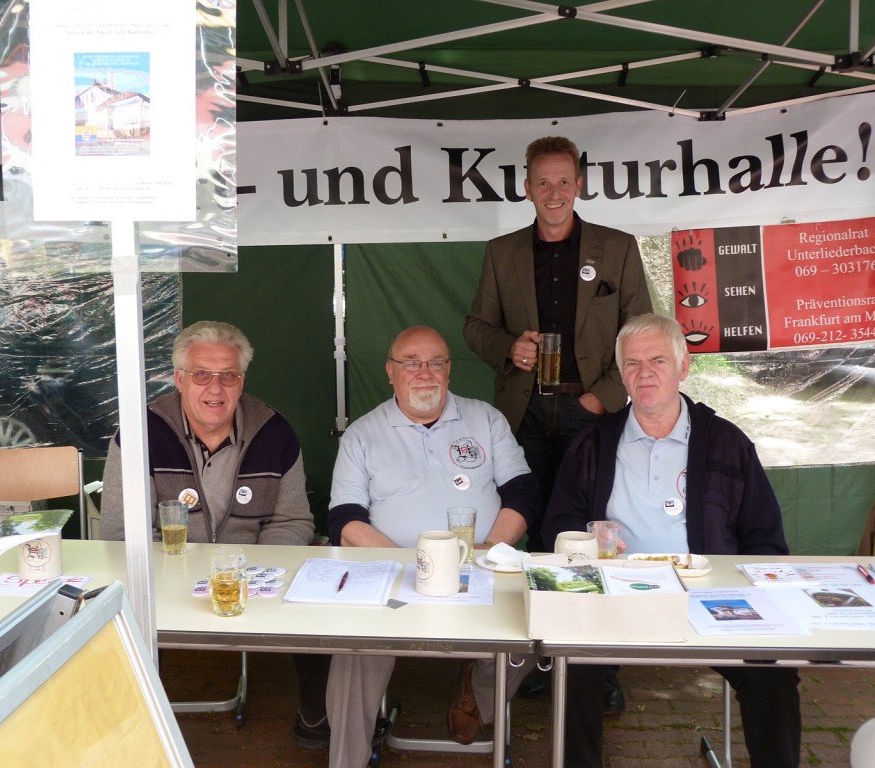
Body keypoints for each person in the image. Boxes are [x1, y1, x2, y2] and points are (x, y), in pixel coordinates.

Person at [541, 313, 802, 768]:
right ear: (620, 373)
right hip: (613, 598)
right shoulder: (592, 445)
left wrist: (740, 595)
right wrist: (585, 540)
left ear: (683, 367)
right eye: (633, 363)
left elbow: (766, 541)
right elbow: (556, 528)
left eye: (658, 360)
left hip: (710, 598)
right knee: (571, 663)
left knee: (773, 672)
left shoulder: (726, 443)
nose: (645, 373)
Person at [464, 134, 651, 709]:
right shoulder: (502, 252)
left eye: (563, 181)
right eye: (542, 182)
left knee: (594, 532)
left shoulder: (616, 248)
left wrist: (604, 396)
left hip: (589, 409)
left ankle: (602, 672)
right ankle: (542, 656)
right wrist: (508, 350)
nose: (553, 192)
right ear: (526, 187)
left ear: (580, 185)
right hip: (524, 410)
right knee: (535, 530)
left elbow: (641, 329)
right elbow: (477, 327)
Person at [99, 320, 332, 750]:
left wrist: (257, 572)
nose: (215, 388)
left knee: (316, 601)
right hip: (164, 576)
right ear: (179, 380)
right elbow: (119, 529)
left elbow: (294, 521)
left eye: (228, 375)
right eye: (202, 374)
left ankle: (315, 714)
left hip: (253, 574)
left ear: (241, 381)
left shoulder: (275, 432)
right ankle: (133, 725)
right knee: (124, 611)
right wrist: (173, 573)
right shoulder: (139, 433)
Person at [326, 325, 540, 768]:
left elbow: (523, 494)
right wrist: (410, 565)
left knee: (531, 632)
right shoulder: (362, 435)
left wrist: (488, 550)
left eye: (436, 362)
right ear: (390, 372)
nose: (424, 373)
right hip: (392, 575)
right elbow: (344, 521)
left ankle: (479, 696)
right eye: (411, 363)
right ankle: (346, 761)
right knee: (351, 652)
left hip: (477, 568)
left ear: (449, 369)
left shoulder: (486, 419)